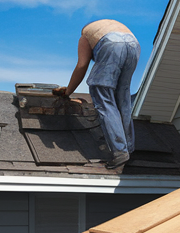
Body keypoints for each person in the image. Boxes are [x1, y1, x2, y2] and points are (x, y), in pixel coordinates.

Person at [54, 20, 139, 169]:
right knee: (122, 98)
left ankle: (119, 151)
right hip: (134, 45)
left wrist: (68, 91)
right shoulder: (107, 27)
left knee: (101, 93)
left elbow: (82, 65)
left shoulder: (85, 35)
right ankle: (128, 148)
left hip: (111, 44)